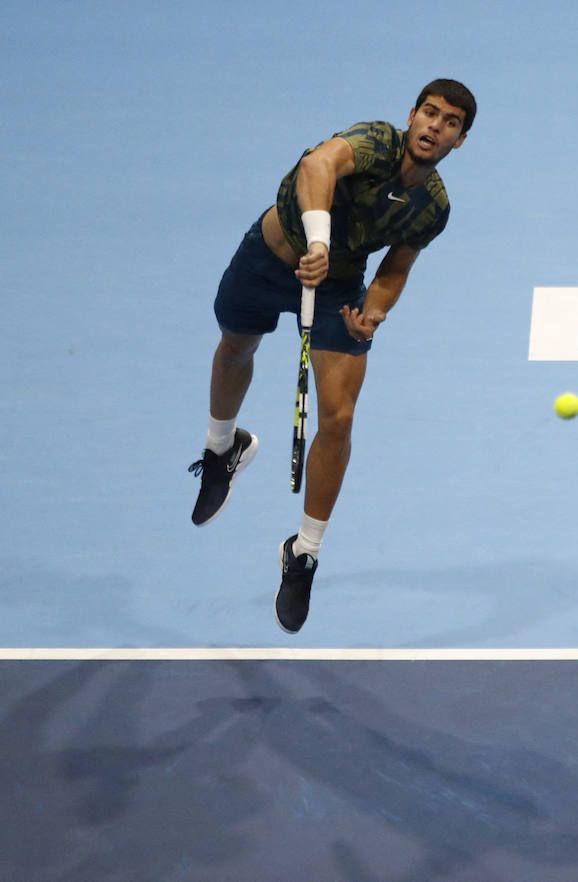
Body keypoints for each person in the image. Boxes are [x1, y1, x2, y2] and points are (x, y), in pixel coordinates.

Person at [188, 79, 476, 634]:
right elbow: (316, 167)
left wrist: (373, 312)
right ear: (411, 115)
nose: (435, 127)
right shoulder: (373, 141)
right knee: (235, 348)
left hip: (338, 290)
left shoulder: (432, 207)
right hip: (269, 260)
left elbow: (396, 266)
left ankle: (304, 553)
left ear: (459, 141)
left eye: (451, 123)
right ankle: (222, 448)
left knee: (339, 417)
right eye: (430, 114)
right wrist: (318, 242)